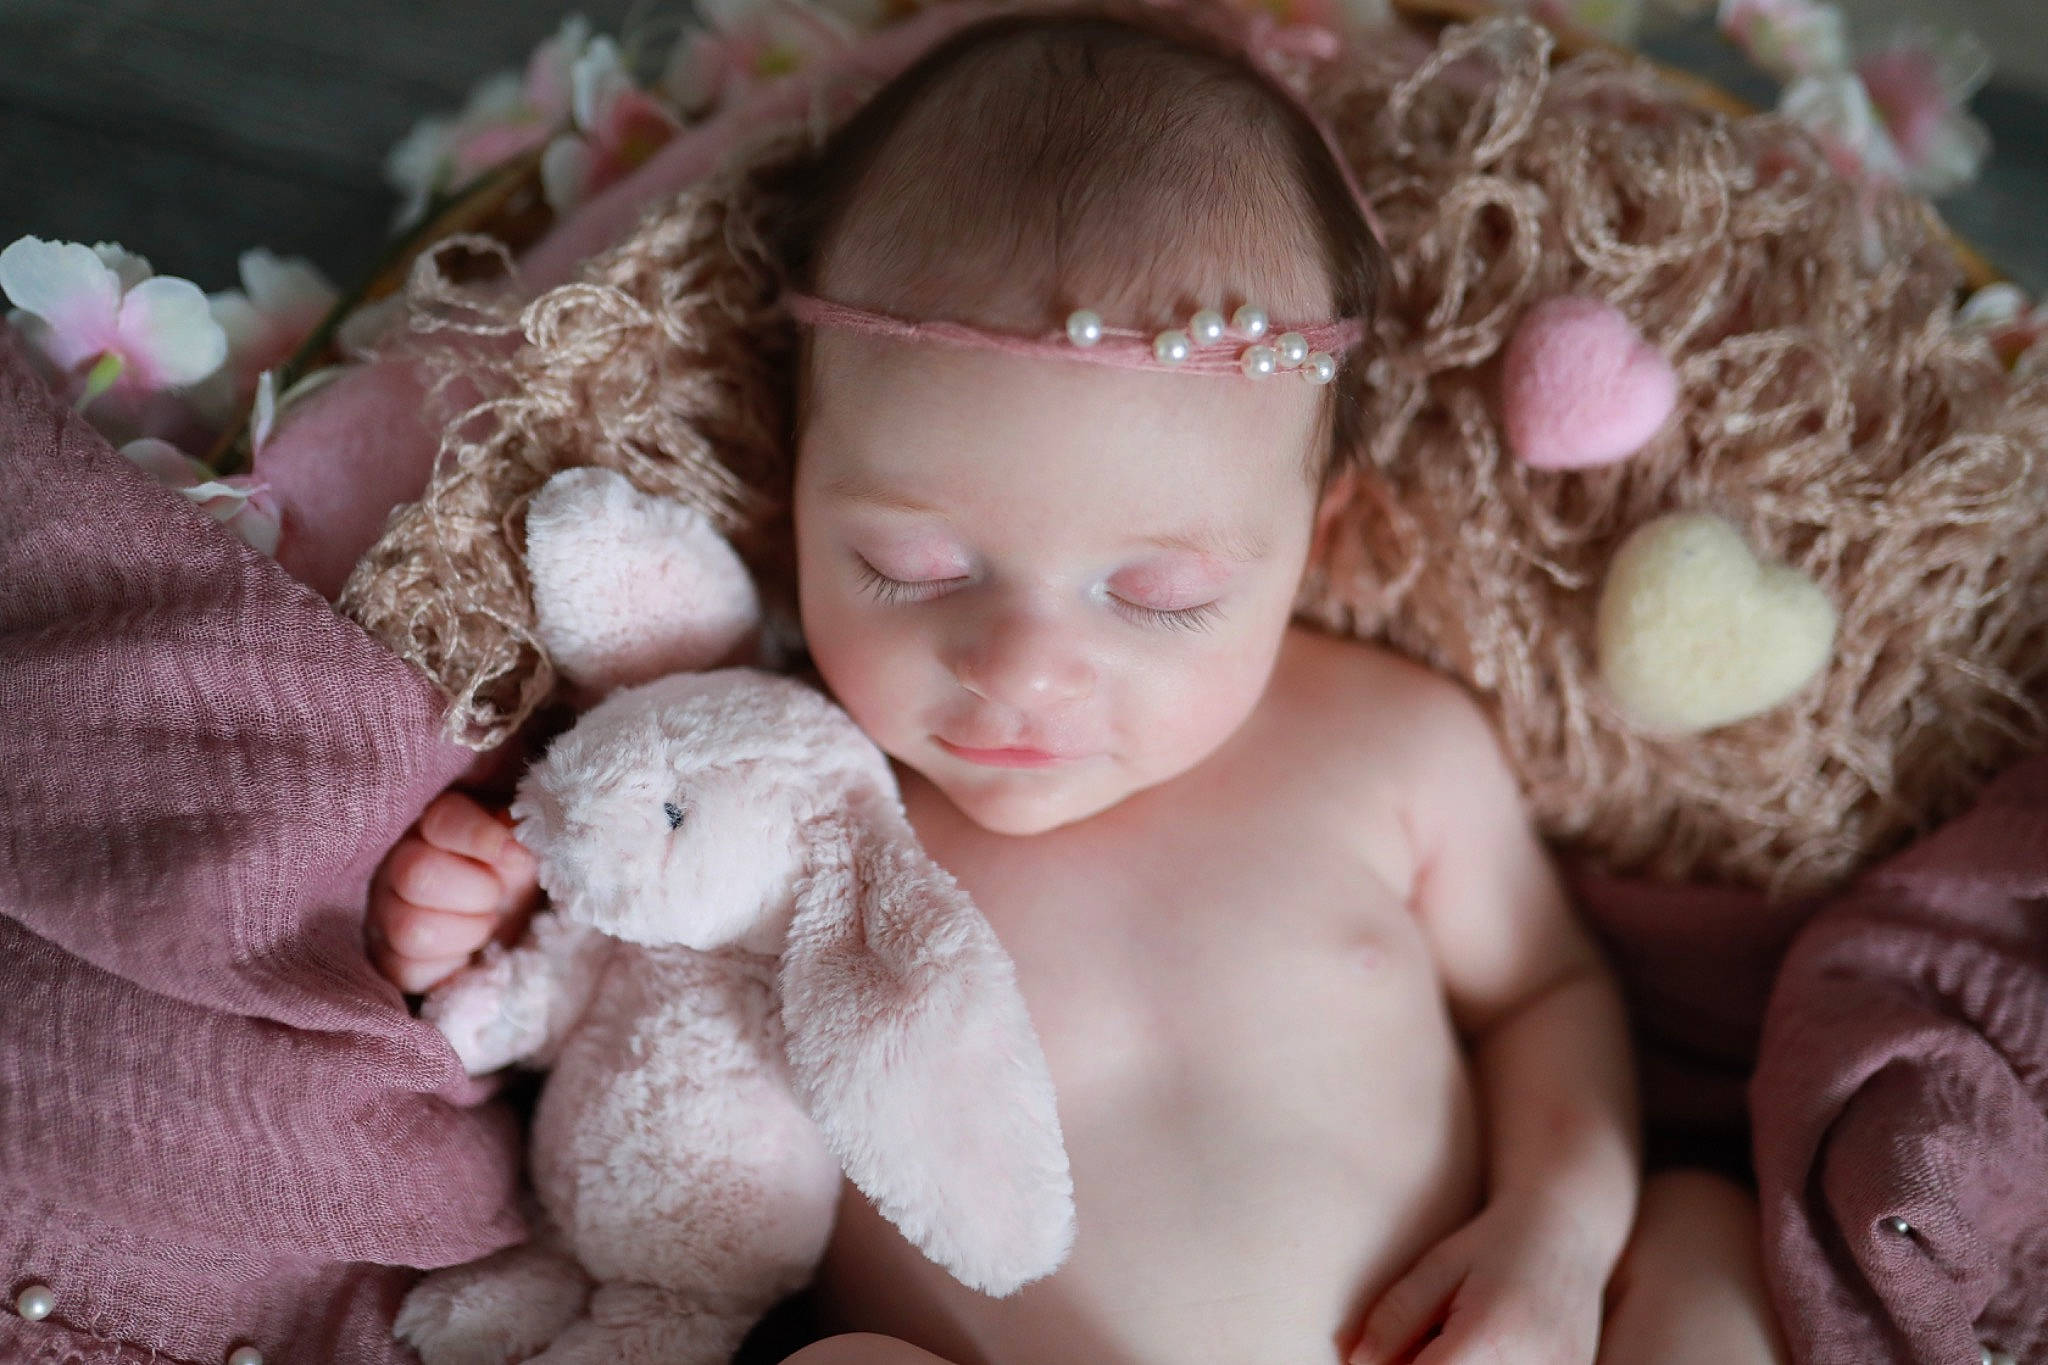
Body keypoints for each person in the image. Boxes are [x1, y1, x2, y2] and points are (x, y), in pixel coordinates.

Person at [366, 3, 1790, 1361]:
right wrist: (491, 910)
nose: (1023, 667)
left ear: (1317, 542)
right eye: (915, 566)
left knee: (1704, 1232)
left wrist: (1552, 1236)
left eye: (1158, 593)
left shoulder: (1388, 746)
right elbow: (616, 1001)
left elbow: (1544, 990)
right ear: (790, 493)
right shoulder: (792, 811)